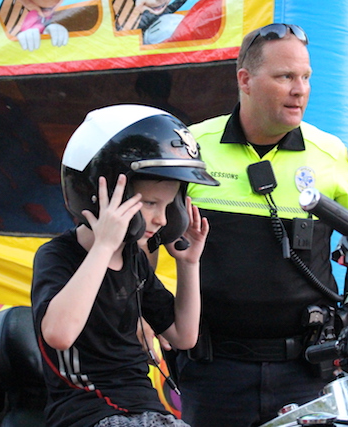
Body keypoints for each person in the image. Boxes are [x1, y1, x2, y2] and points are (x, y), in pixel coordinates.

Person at [179, 23, 348, 426]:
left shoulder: (329, 153)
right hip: (214, 373)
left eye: (305, 77)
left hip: (306, 372)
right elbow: (143, 238)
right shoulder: (192, 148)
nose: (299, 89)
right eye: (285, 76)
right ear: (245, 80)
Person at [30, 104, 218, 427]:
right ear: (100, 193)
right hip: (88, 411)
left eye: (167, 206)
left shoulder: (135, 261)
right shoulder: (57, 256)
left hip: (146, 409)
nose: (161, 219)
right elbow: (58, 334)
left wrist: (189, 264)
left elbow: (183, 335)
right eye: (149, 203)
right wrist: (104, 245)